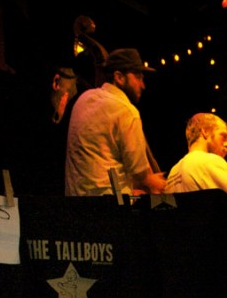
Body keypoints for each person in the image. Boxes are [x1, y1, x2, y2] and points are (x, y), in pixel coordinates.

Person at [64, 48, 166, 198]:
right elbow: (140, 175)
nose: (142, 85)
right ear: (119, 77)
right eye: (138, 77)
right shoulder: (126, 111)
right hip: (111, 210)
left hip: (75, 204)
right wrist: (160, 184)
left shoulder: (83, 99)